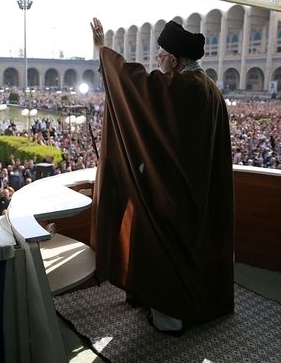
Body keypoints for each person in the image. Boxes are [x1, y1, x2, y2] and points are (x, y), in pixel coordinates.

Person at [89, 18, 234, 333]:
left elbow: (138, 87)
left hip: (174, 197)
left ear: (175, 59)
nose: (157, 60)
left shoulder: (185, 87)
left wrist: (103, 53)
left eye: (161, 54)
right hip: (198, 192)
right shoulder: (210, 88)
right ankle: (189, 305)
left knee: (159, 245)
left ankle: (170, 315)